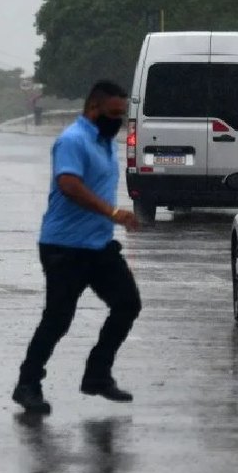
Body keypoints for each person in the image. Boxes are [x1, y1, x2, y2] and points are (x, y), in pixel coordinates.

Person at [12, 80, 142, 414]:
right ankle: (27, 384)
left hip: (98, 246)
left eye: (122, 114)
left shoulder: (105, 142)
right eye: (113, 113)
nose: (119, 119)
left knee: (127, 303)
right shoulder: (73, 139)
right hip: (63, 247)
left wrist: (115, 218)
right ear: (93, 108)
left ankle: (97, 374)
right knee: (58, 319)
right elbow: (68, 184)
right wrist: (113, 213)